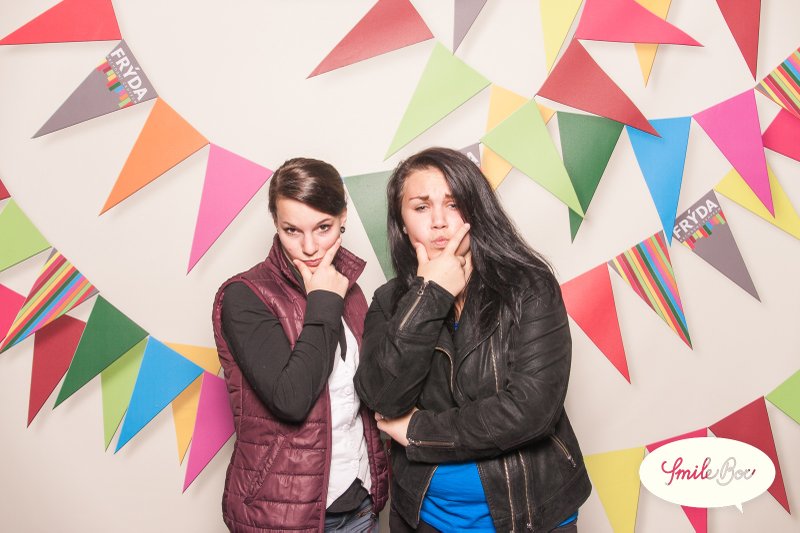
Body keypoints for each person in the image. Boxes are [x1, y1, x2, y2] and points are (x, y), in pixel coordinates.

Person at [354, 147, 592, 532]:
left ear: (475, 210)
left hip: (531, 514)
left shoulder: (529, 287)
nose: (439, 222)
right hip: (426, 518)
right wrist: (431, 294)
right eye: (421, 207)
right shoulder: (389, 301)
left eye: (453, 204)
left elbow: (531, 411)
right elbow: (383, 397)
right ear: (402, 223)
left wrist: (418, 432)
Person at [211, 158, 389, 532]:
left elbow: (367, 394)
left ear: (342, 218)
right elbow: (291, 400)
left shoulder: (350, 291)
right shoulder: (245, 296)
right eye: (292, 230)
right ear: (276, 224)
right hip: (283, 516)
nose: (309, 247)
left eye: (323, 228)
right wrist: (324, 301)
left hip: (358, 505)